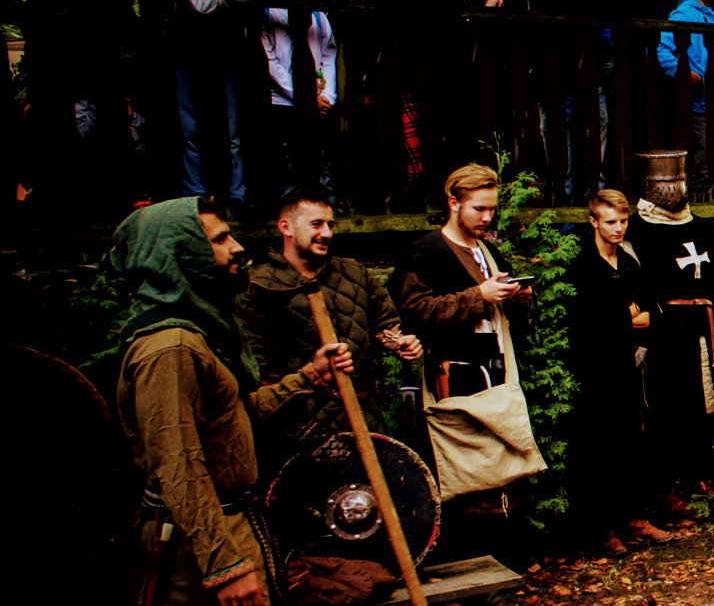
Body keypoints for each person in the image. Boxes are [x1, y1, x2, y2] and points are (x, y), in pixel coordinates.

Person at [109, 196, 381, 606]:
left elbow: (237, 416)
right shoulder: (167, 348)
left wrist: (306, 378)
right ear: (178, 255)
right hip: (199, 546)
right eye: (220, 239)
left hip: (212, 535)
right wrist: (224, 563)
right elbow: (180, 464)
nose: (236, 249)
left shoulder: (194, 334)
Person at [238, 187, 422, 456]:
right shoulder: (260, 287)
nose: (327, 233)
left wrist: (400, 343)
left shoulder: (354, 272)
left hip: (364, 417)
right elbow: (260, 372)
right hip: (301, 430)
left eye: (330, 224)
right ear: (286, 227)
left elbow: (386, 325)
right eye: (316, 224)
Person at [627, 159, 714, 496]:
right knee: (669, 401)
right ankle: (673, 481)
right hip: (664, 331)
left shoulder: (708, 231)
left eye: (677, 178)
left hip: (705, 328)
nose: (672, 187)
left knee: (710, 403)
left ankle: (706, 470)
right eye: (665, 179)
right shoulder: (637, 231)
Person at [565, 190, 675, 554]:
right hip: (595, 371)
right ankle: (600, 528)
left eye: (623, 221)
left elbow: (654, 312)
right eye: (610, 221)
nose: (618, 228)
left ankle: (634, 520)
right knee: (598, 448)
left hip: (630, 367)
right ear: (593, 221)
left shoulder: (628, 264)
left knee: (632, 444)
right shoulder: (582, 267)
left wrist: (629, 316)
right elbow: (587, 323)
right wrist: (625, 316)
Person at [19, 0, 139, 211]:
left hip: (104, 94)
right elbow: (37, 52)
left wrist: (128, 93)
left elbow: (133, 40)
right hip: (58, 98)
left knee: (108, 165)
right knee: (63, 170)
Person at [390, 163, 531, 399]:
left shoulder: (489, 251)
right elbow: (413, 311)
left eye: (492, 209)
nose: (487, 217)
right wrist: (479, 296)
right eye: (479, 209)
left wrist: (516, 298)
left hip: (500, 376)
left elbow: (503, 318)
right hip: (454, 381)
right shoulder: (425, 252)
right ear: (454, 203)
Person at [334, 0, 434, 205]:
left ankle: (407, 201)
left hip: (405, 81)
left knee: (412, 152)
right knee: (393, 151)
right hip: (378, 83)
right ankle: (394, 202)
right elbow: (390, 14)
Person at [171, 0, 260, 209]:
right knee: (191, 126)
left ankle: (236, 194)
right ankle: (194, 193)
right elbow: (201, 5)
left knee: (234, 127)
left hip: (228, 53)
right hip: (190, 53)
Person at [530, 0, 618, 198]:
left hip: (593, 87)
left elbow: (611, 6)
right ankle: (566, 229)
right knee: (561, 165)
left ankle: (596, 222)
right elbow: (544, 4)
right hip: (556, 88)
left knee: (596, 162)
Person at [255, 0, 339, 202]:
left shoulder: (316, 12)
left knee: (321, 164)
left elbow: (328, 53)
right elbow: (269, 60)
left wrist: (327, 95)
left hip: (317, 103)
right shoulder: (264, 10)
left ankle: (326, 212)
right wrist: (301, 95)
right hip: (283, 103)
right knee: (288, 166)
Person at [657, 0, 714, 199]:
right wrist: (685, 75)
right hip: (699, 106)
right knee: (702, 167)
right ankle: (702, 228)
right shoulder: (683, 14)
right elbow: (662, 51)